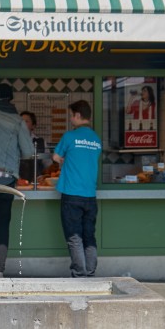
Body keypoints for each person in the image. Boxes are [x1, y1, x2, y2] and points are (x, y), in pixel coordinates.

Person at [0, 83, 33, 278]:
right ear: (11, 99)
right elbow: (29, 152)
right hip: (6, 182)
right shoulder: (18, 121)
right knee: (2, 225)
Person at [53, 100, 102, 278]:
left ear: (78, 115)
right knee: (89, 236)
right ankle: (90, 272)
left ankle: (79, 274)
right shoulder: (96, 139)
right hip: (90, 195)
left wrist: (65, 161)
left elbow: (56, 156)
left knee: (74, 237)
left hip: (72, 194)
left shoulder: (69, 136)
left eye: (71, 116)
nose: (70, 119)